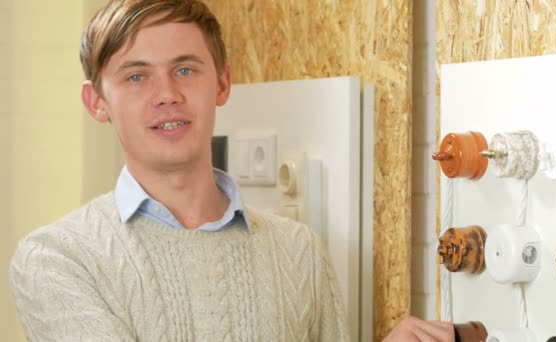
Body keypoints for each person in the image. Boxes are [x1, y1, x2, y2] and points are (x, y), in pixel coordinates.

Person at [9, 0, 454, 341]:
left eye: (185, 69)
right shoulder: (57, 260)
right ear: (96, 102)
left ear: (222, 83)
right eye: (136, 77)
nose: (167, 94)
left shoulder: (300, 253)